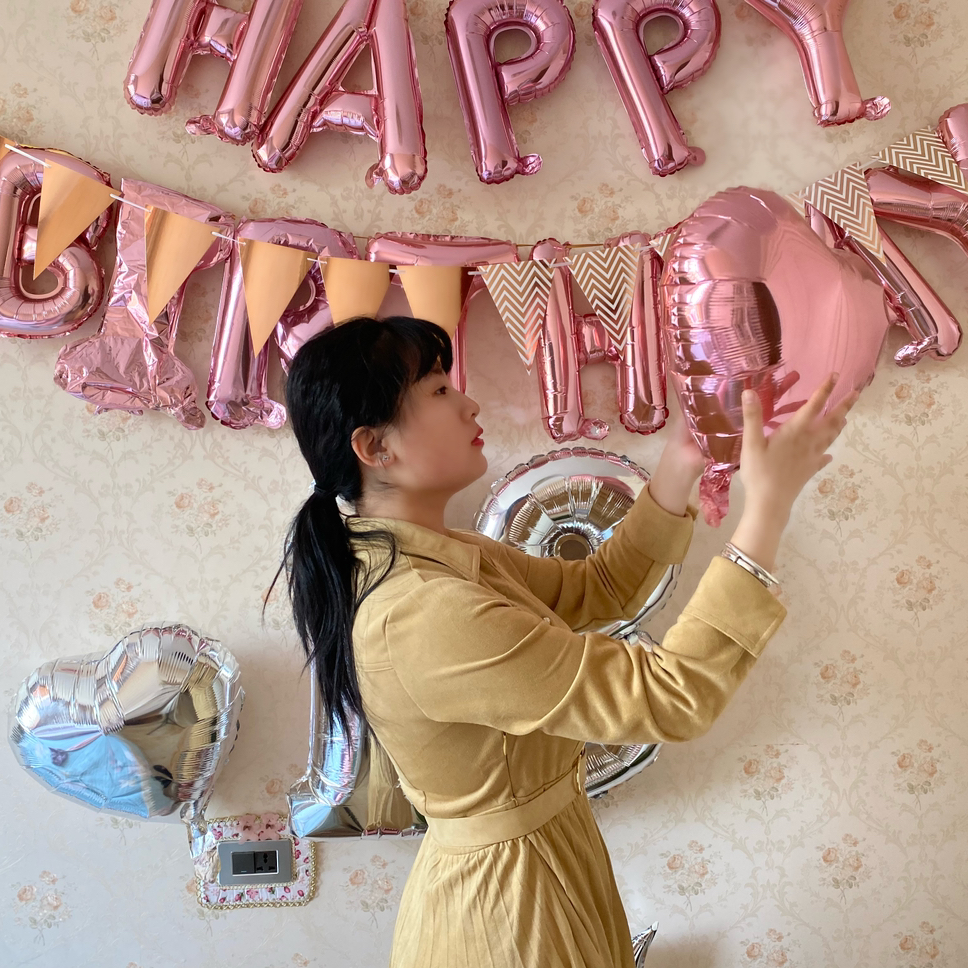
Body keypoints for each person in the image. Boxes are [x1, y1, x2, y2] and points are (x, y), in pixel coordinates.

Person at [276, 315, 856, 968]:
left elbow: (600, 587)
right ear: (375, 447)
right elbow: (673, 698)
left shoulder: (444, 559)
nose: (469, 403)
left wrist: (687, 453)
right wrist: (769, 506)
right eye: (438, 390)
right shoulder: (421, 611)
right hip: (508, 916)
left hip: (541, 870)